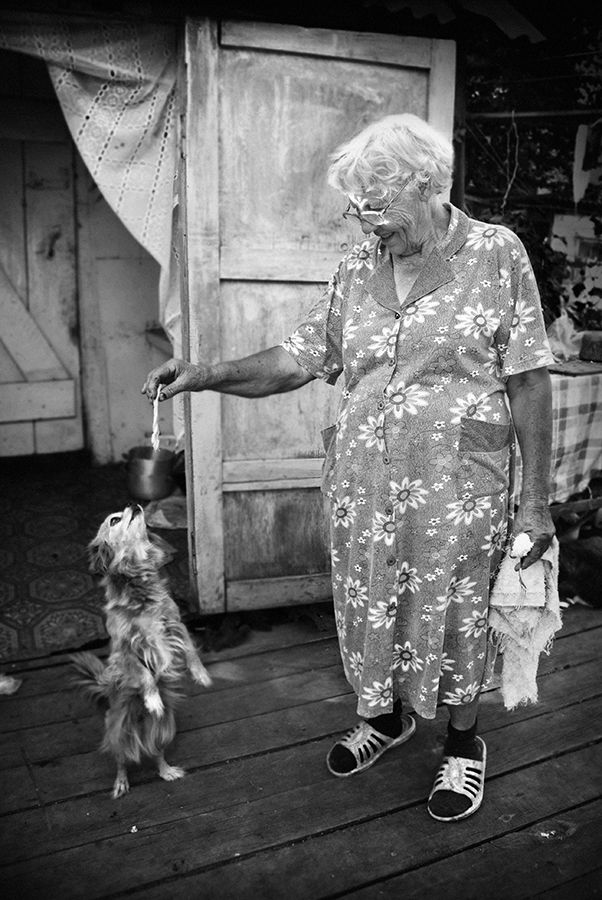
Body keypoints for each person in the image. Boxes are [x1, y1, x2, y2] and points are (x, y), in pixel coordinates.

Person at [142, 113, 555, 822]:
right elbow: (297, 359)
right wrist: (203, 373)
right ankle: (387, 718)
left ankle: (463, 743)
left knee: (455, 611)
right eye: (357, 206)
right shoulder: (358, 267)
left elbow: (529, 378)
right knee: (371, 603)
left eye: (376, 203)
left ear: (426, 184)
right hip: (364, 486)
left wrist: (537, 502)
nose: (365, 221)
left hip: (459, 488)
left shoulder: (495, 253)